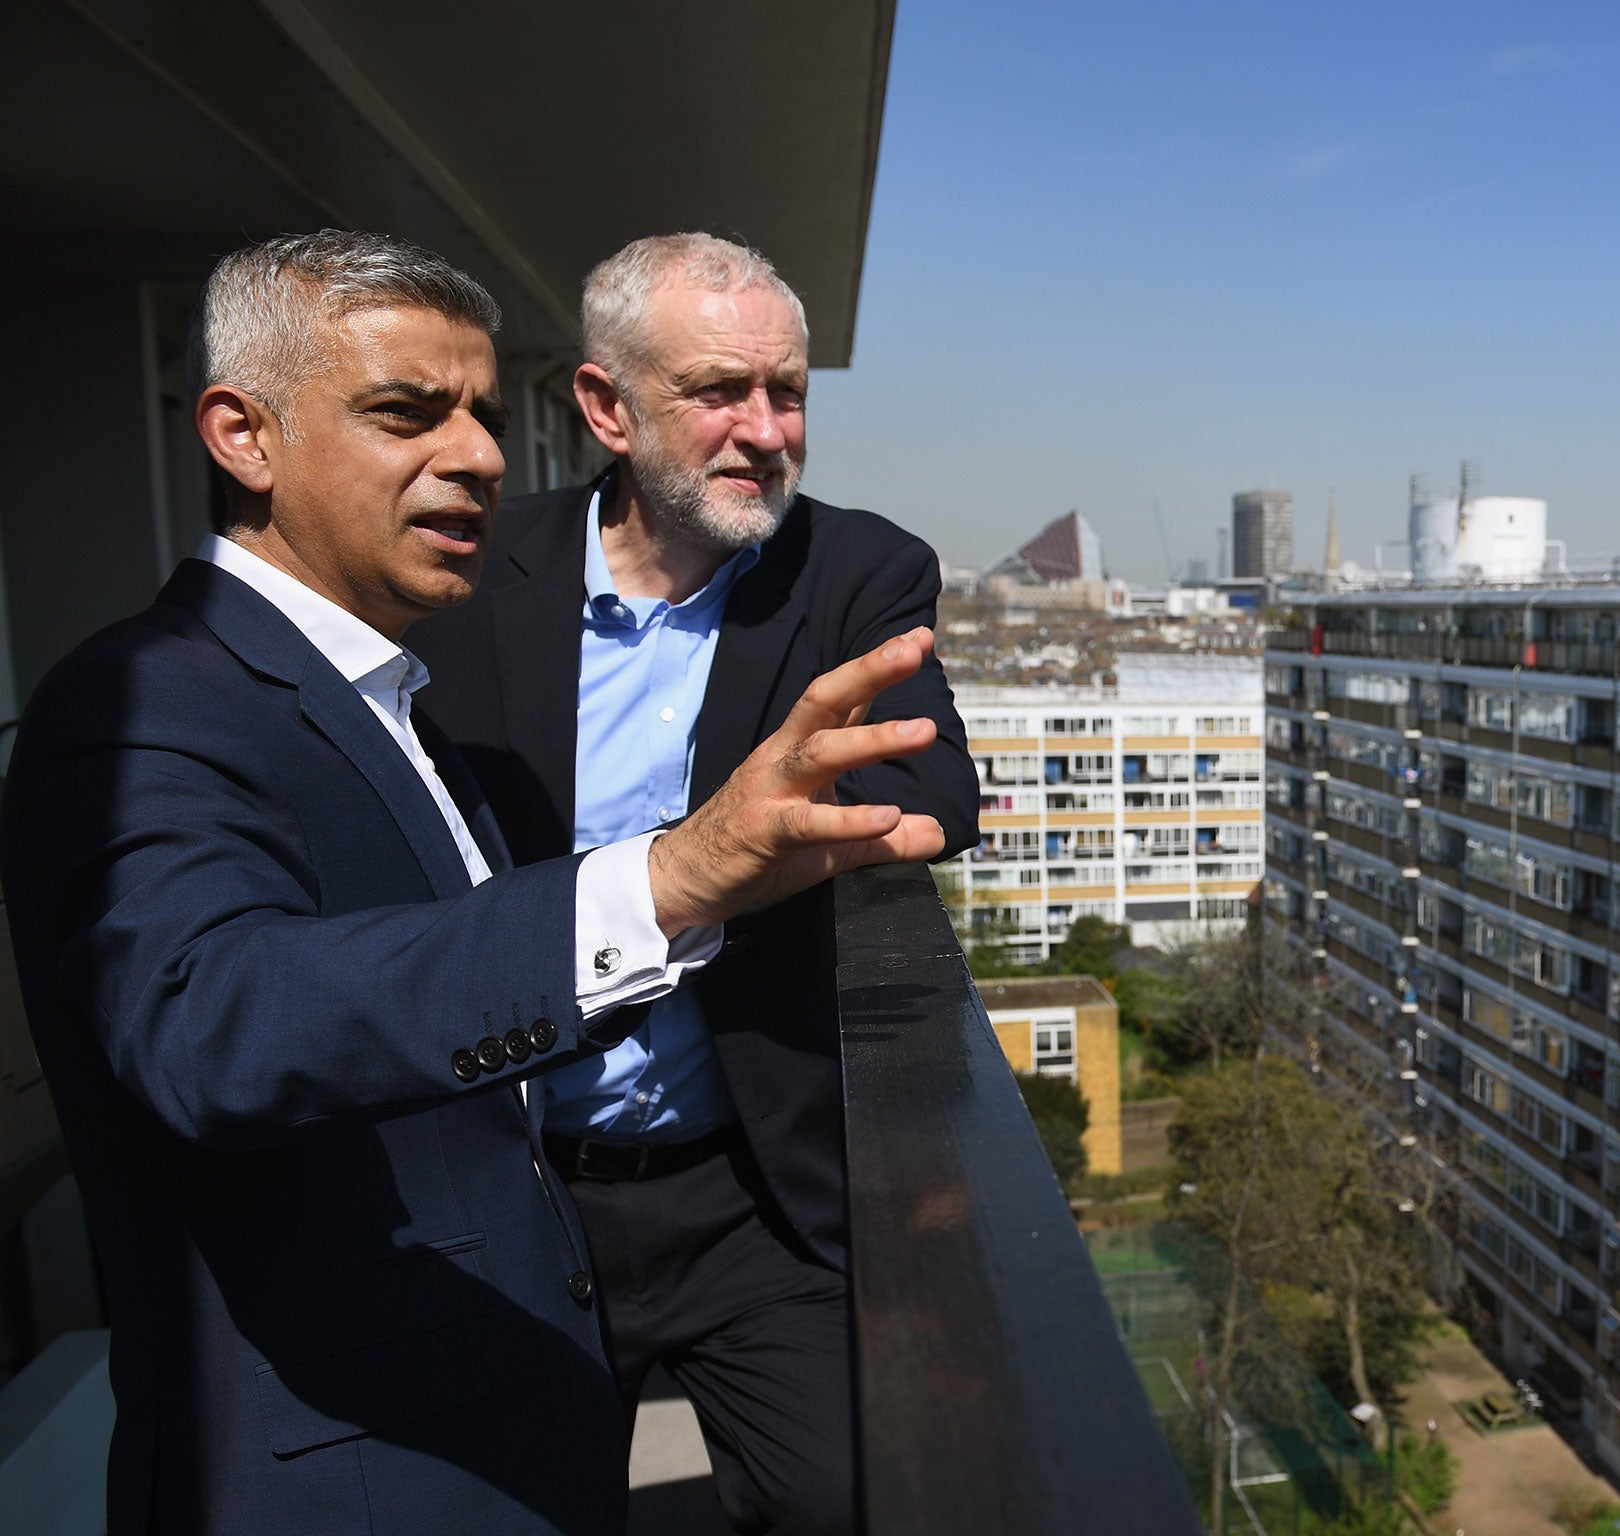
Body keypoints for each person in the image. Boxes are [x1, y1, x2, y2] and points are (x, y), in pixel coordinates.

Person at [0, 229, 947, 1536]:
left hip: (567, 1326)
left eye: (484, 417)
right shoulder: (136, 704)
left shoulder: (382, 688)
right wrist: (669, 877)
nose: (481, 457)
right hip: (357, 1458)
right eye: (405, 412)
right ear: (243, 436)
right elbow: (207, 1018)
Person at [409, 232, 978, 1534]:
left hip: (748, 1189)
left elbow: (942, 793)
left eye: (789, 394)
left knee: (853, 1499)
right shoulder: (476, 570)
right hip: (514, 1183)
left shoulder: (854, 571)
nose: (766, 429)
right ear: (607, 406)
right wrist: (667, 868)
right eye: (722, 391)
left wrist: (760, 839)